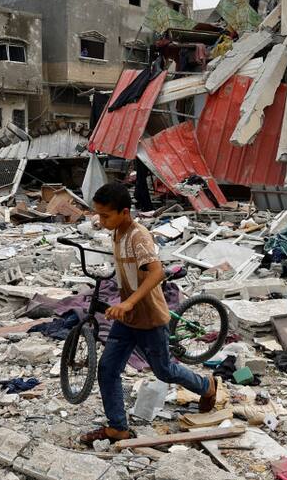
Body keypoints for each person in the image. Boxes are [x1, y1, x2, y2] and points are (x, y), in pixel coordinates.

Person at [78, 182, 217, 446]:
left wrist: (129, 302)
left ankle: (206, 385)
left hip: (149, 318)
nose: (101, 220)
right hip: (127, 319)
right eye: (99, 214)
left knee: (164, 370)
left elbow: (157, 272)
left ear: (125, 212)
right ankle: (118, 427)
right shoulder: (117, 233)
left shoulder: (138, 235)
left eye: (106, 215)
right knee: (107, 369)